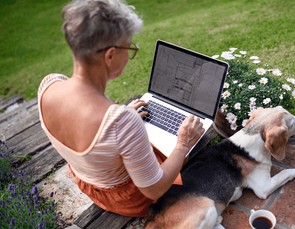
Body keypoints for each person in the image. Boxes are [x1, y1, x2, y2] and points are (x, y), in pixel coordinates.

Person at [37, 0, 204, 217]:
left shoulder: (48, 85)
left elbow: (95, 136)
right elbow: (153, 188)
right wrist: (183, 144)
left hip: (88, 183)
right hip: (129, 199)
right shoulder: (122, 121)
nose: (130, 54)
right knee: (194, 153)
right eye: (129, 47)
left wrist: (119, 126)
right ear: (110, 55)